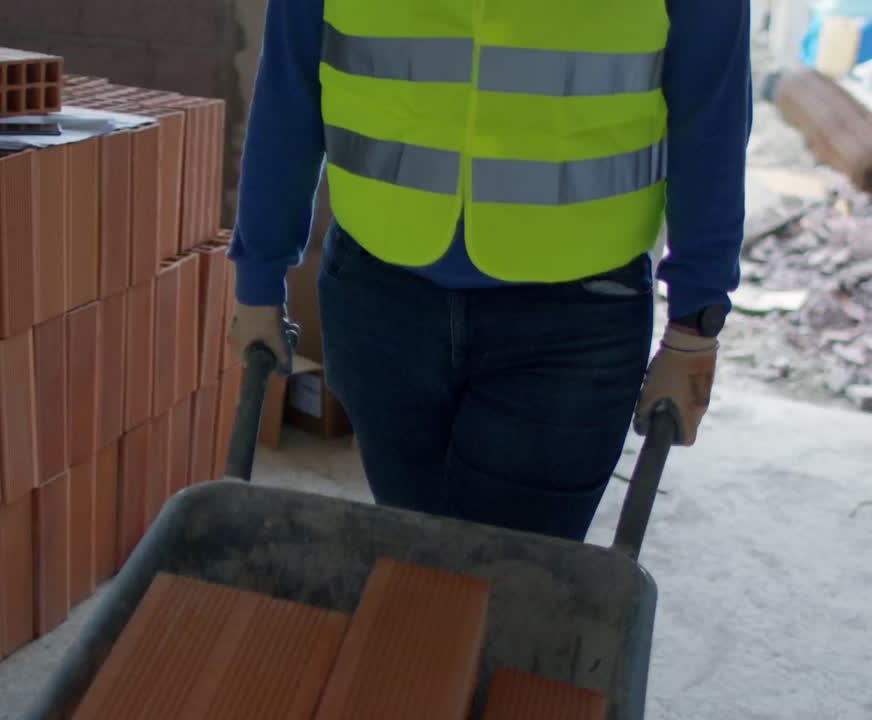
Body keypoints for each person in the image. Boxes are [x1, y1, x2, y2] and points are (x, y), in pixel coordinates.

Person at [227, 0, 751, 541]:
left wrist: (696, 324)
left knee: (510, 582)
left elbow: (710, 122)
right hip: (378, 302)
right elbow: (289, 96)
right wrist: (258, 279)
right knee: (415, 554)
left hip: (574, 325)